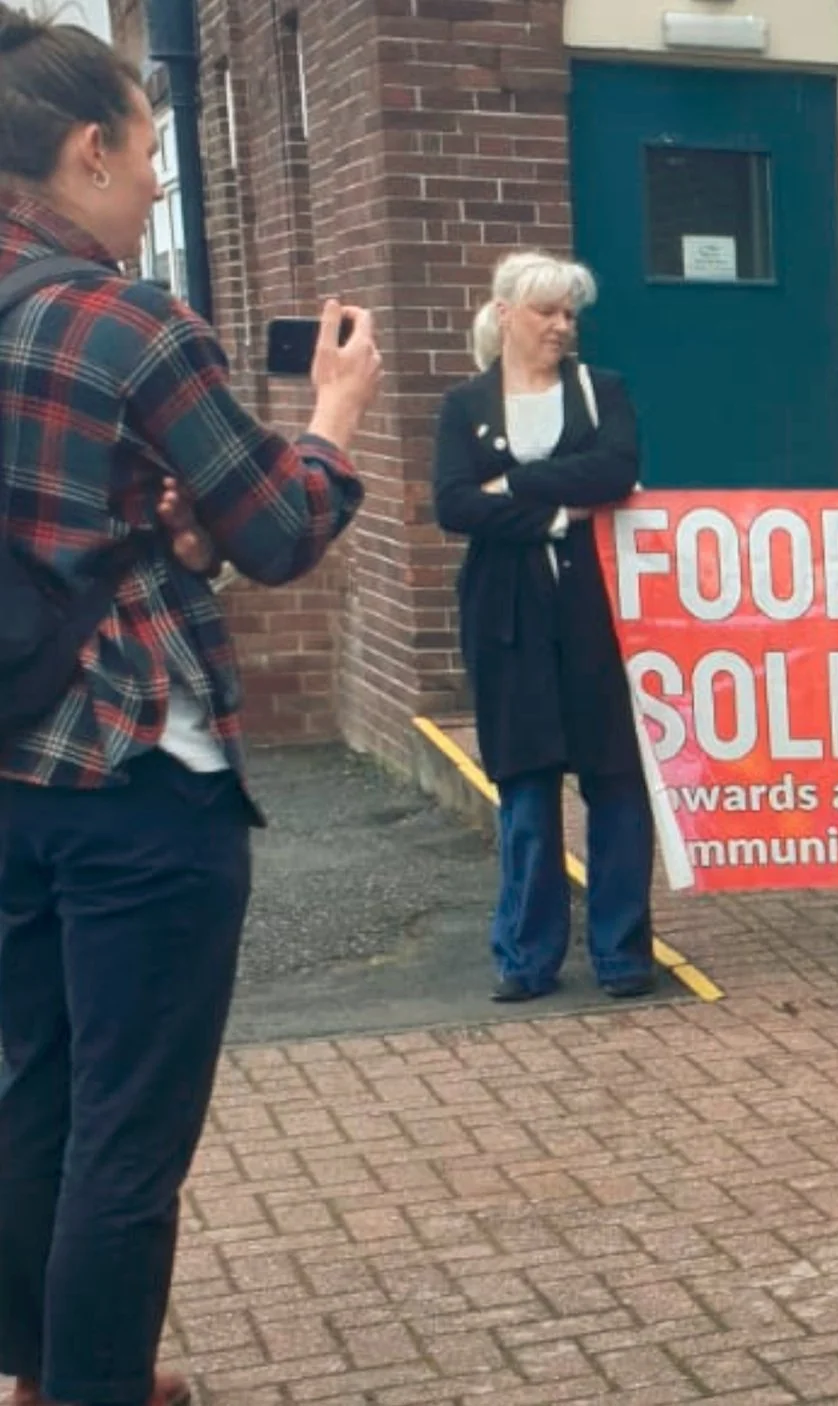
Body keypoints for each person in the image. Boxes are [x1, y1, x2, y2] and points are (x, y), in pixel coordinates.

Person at [0, 10, 379, 1405]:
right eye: (150, 151)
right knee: (130, 1131)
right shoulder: (123, 319)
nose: (158, 182)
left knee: (36, 1086)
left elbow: (68, 527)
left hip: (11, 777)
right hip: (131, 770)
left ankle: (42, 1373)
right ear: (88, 151)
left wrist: (168, 532)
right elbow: (281, 527)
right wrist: (332, 417)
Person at [432, 251, 655, 1004]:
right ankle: (527, 957)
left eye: (570, 313)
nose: (563, 326)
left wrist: (515, 486)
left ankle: (623, 954)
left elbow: (616, 471)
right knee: (524, 787)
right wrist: (559, 512)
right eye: (547, 312)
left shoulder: (604, 392)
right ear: (505, 315)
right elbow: (455, 505)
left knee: (616, 781)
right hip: (507, 616)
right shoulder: (465, 406)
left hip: (598, 611)